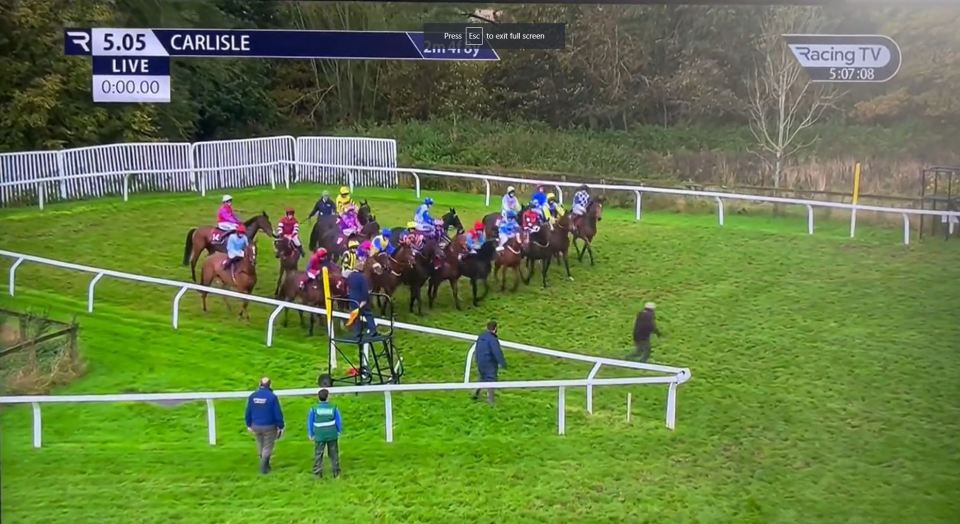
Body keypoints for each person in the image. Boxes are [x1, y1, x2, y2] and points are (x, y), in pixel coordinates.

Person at [245, 377, 285, 475]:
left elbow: (248, 411)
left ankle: (266, 465)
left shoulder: (253, 396)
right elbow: (277, 413)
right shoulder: (272, 397)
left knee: (260, 444)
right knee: (267, 447)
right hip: (269, 426)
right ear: (270, 385)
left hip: (256, 425)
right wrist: (281, 425)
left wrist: (248, 424)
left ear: (260, 384)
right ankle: (263, 467)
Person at [307, 388, 342, 479]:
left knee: (318, 454)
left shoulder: (314, 409)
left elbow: (310, 422)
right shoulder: (334, 407)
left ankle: (317, 473)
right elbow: (338, 421)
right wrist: (339, 431)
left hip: (319, 434)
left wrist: (311, 433)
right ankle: (336, 472)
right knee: (333, 454)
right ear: (327, 397)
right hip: (332, 434)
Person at [472, 321, 506, 405]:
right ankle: (491, 400)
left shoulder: (481, 336)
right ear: (495, 328)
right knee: (491, 379)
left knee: (482, 376)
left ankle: (475, 394)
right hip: (489, 362)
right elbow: (496, 352)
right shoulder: (493, 339)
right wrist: (502, 363)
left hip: (480, 361)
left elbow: (477, 348)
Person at [344, 268, 376, 338]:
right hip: (361, 299)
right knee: (368, 314)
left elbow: (348, 288)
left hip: (352, 299)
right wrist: (364, 300)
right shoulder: (362, 277)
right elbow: (365, 289)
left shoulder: (350, 277)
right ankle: (373, 330)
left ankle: (357, 332)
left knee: (356, 315)